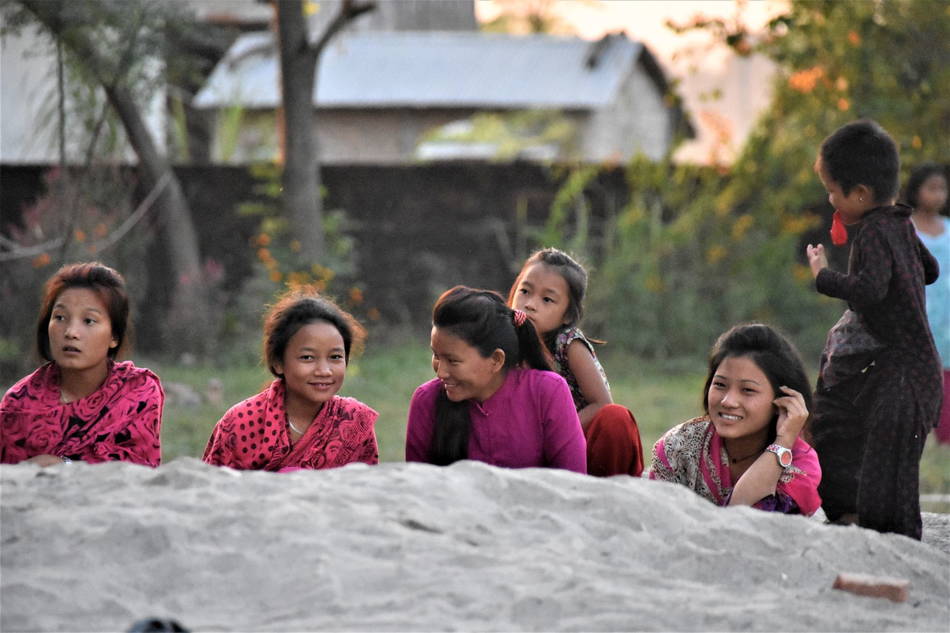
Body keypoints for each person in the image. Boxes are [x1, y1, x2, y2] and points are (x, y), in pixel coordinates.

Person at [805, 120, 941, 539]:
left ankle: (890, 543)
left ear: (860, 194)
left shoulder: (874, 234)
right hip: (915, 370)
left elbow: (869, 291)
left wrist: (823, 276)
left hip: (903, 375)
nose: (830, 198)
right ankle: (875, 529)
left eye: (833, 190)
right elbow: (931, 270)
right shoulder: (901, 222)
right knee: (889, 466)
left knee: (885, 473)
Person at [405, 285, 586, 473]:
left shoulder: (548, 391)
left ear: (496, 360)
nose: (441, 372)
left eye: (453, 361)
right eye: (436, 356)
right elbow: (419, 489)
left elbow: (572, 482)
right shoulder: (426, 400)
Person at [648, 323, 821, 516]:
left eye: (747, 390)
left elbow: (744, 524)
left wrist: (781, 445)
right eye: (720, 385)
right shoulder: (679, 446)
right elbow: (654, 523)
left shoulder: (799, 465)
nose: (728, 401)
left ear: (782, 401)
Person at [1, 262, 163, 467]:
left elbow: (140, 472)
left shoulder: (137, 390)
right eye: (59, 318)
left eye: (88, 321)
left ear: (114, 335)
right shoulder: (19, 404)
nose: (70, 332)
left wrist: (63, 465)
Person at [203, 288, 378, 471]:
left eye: (335, 357)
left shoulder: (355, 423)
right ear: (278, 363)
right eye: (307, 357)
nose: (324, 371)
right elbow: (212, 490)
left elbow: (367, 492)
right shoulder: (240, 423)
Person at [507, 247, 644, 477]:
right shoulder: (501, 341)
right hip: (523, 448)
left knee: (615, 418)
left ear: (567, 315)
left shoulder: (568, 344)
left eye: (547, 299)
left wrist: (556, 434)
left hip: (577, 442)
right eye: (525, 291)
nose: (530, 304)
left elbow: (602, 403)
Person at [905, 163, 950, 444]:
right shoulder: (905, 228)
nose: (938, 195)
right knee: (918, 378)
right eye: (931, 188)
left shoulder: (948, 229)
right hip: (917, 315)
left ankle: (944, 438)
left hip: (947, 318)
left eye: (942, 189)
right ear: (916, 190)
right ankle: (917, 434)